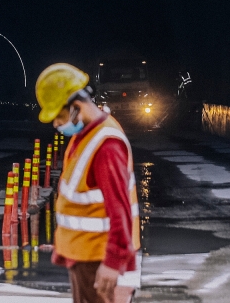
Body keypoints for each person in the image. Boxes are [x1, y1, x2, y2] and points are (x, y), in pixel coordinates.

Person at [36, 63, 140, 303]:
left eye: (58, 116)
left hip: (99, 261)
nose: (56, 124)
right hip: (85, 257)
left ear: (75, 107)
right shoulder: (85, 136)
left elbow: (120, 210)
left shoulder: (106, 145)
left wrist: (113, 262)